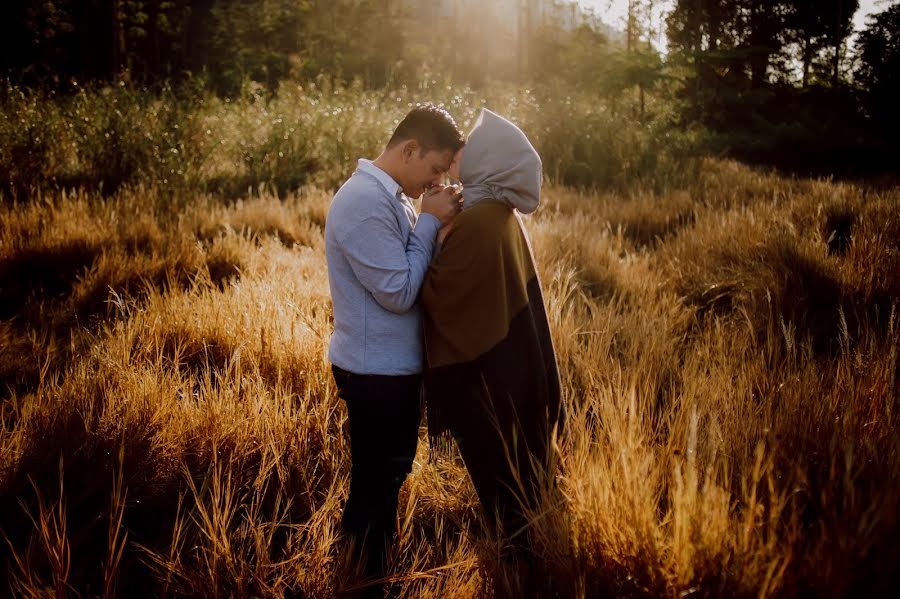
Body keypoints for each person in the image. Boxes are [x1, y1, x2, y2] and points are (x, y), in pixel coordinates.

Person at [324, 104, 465, 591]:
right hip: (374, 375)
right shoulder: (363, 201)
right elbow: (400, 291)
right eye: (433, 168)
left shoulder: (395, 197)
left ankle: (367, 574)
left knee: (387, 481)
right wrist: (428, 222)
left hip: (392, 372)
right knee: (374, 488)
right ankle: (360, 580)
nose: (434, 181)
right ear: (409, 149)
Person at [421, 109, 563, 555]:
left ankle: (520, 564)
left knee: (503, 483)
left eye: (473, 148)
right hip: (511, 367)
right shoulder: (491, 207)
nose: (460, 154)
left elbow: (437, 295)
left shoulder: (480, 220)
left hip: (487, 380)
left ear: (492, 160)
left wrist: (430, 235)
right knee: (518, 478)